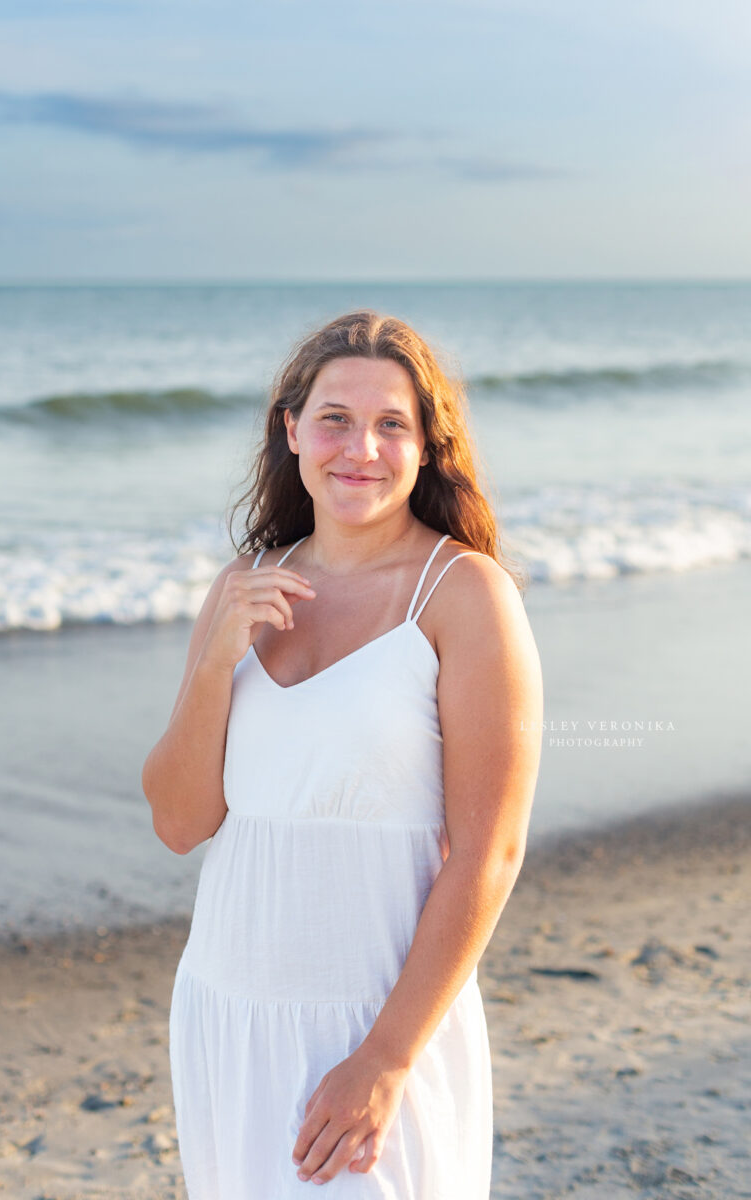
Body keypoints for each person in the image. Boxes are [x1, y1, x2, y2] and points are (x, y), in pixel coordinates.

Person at [142, 309, 543, 1198]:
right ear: (292, 430)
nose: (360, 446)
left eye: (392, 423)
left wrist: (388, 1058)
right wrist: (216, 661)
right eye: (334, 419)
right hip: (227, 1006)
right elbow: (179, 822)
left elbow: (491, 852)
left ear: (429, 446)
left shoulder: (463, 595)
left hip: (379, 1019)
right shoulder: (243, 585)